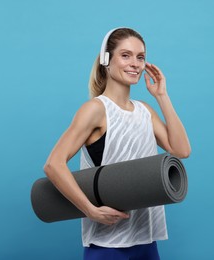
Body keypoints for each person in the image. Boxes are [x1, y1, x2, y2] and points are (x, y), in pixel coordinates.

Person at [43, 27, 191, 260]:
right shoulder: (95, 109)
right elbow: (53, 164)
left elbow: (181, 150)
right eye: (125, 55)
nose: (135, 63)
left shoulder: (145, 110)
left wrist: (162, 96)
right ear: (106, 60)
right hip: (107, 245)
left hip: (146, 240)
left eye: (140, 57)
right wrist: (89, 210)